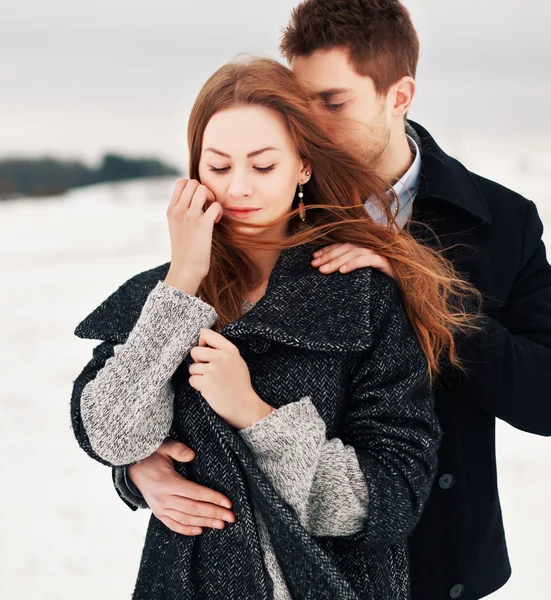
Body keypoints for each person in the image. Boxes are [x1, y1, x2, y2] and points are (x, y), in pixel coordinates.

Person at [118, 2, 551, 599]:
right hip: (280, 560)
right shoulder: (268, 202)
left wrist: (417, 287)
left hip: (437, 555)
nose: (309, 125)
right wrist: (138, 465)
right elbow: (158, 369)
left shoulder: (501, 222)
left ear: (399, 95)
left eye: (333, 102)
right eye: (300, 101)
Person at [71, 57, 480, 599]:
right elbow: (112, 433)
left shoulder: (362, 294)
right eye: (218, 167)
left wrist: (255, 415)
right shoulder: (162, 295)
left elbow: (391, 496)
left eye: (263, 166)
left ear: (303, 167)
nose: (239, 188)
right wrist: (182, 280)